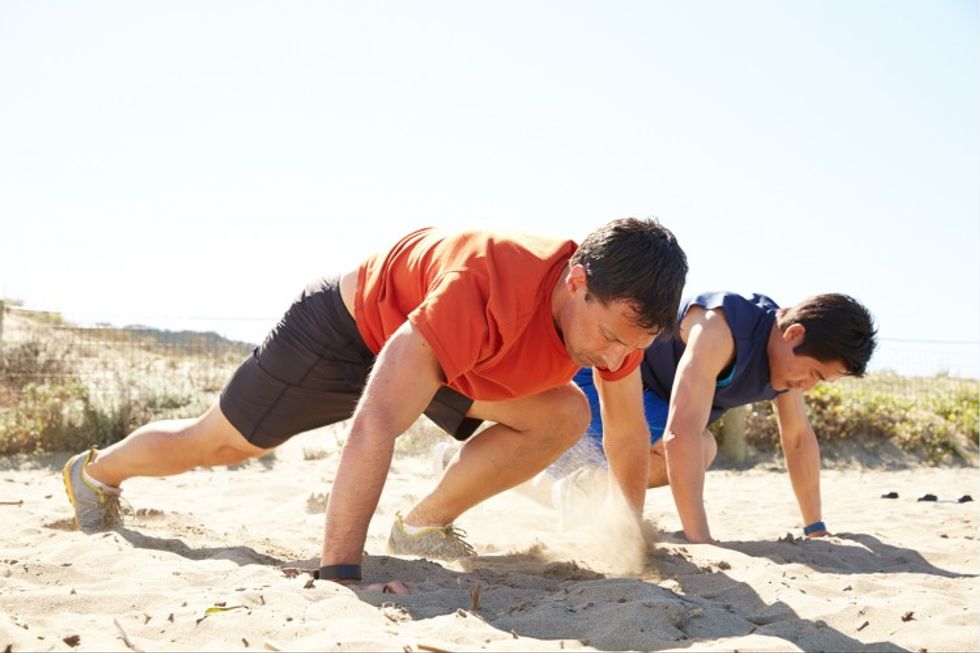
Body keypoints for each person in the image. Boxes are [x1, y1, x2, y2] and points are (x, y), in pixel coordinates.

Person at [62, 218, 689, 586]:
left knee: (566, 412)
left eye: (629, 348)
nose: (614, 361)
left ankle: (422, 525)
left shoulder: (620, 329)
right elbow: (380, 421)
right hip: (346, 330)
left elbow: (627, 435)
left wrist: (627, 540)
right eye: (607, 339)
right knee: (219, 442)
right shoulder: (486, 282)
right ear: (578, 282)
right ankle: (96, 473)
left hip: (459, 359)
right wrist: (340, 573)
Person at [547, 291, 877, 543]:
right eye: (814, 374)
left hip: (645, 405)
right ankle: (583, 488)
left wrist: (815, 528)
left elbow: (798, 439)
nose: (806, 387)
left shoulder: (787, 364)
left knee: (699, 449)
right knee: (698, 446)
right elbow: (681, 432)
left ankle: (584, 489)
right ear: (794, 334)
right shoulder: (719, 329)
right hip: (601, 379)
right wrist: (701, 540)